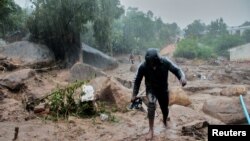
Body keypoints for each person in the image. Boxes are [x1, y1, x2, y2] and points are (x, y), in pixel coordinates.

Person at [131, 48, 187, 140]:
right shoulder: (143, 66)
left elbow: (177, 70)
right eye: (150, 64)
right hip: (151, 89)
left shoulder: (165, 62)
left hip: (163, 89)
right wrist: (134, 94)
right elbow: (137, 81)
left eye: (154, 64)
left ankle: (165, 121)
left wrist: (182, 77)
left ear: (158, 61)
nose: (153, 66)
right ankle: (151, 130)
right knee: (151, 105)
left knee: (164, 109)